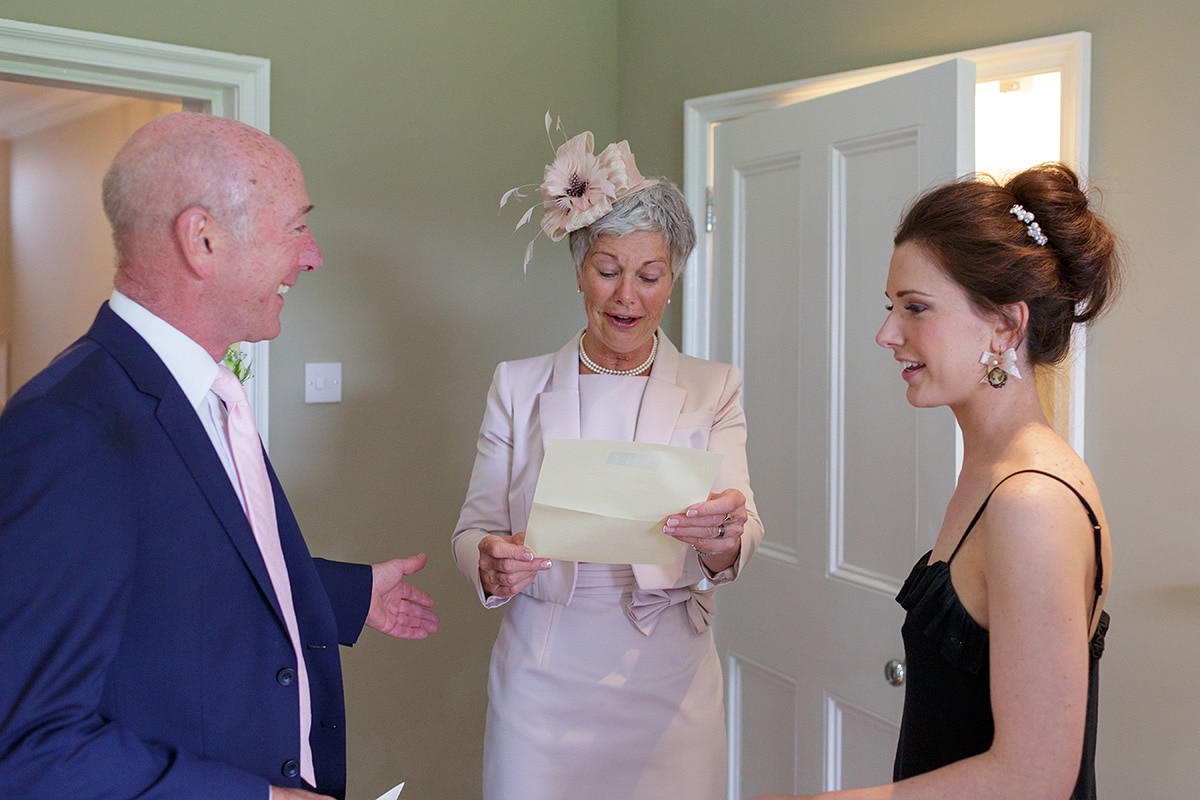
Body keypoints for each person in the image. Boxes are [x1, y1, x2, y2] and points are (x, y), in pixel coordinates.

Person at [0, 112, 439, 800]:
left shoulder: (206, 389)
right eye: (296, 225)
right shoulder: (68, 428)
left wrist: (343, 596)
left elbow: (184, 575)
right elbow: (27, 748)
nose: (313, 254)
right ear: (202, 240)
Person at [755, 163, 1120, 800]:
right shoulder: (989, 469)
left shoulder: (1030, 501)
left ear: (1007, 326)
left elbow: (1033, 781)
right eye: (890, 307)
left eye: (915, 308)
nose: (886, 333)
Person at [452, 125, 764, 800]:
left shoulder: (715, 388)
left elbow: (741, 522)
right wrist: (489, 557)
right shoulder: (517, 385)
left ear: (672, 280)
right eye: (608, 270)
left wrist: (723, 538)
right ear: (578, 273)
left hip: (670, 681)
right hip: (543, 680)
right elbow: (472, 527)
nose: (628, 295)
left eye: (649, 275)